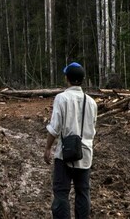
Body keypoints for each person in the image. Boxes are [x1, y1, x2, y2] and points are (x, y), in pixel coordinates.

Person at [44, 62, 98, 219]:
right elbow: (92, 128)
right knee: (83, 192)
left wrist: (48, 148)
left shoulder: (61, 98)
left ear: (67, 78)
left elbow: (55, 128)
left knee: (61, 193)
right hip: (85, 154)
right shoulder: (92, 102)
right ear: (82, 79)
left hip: (64, 154)